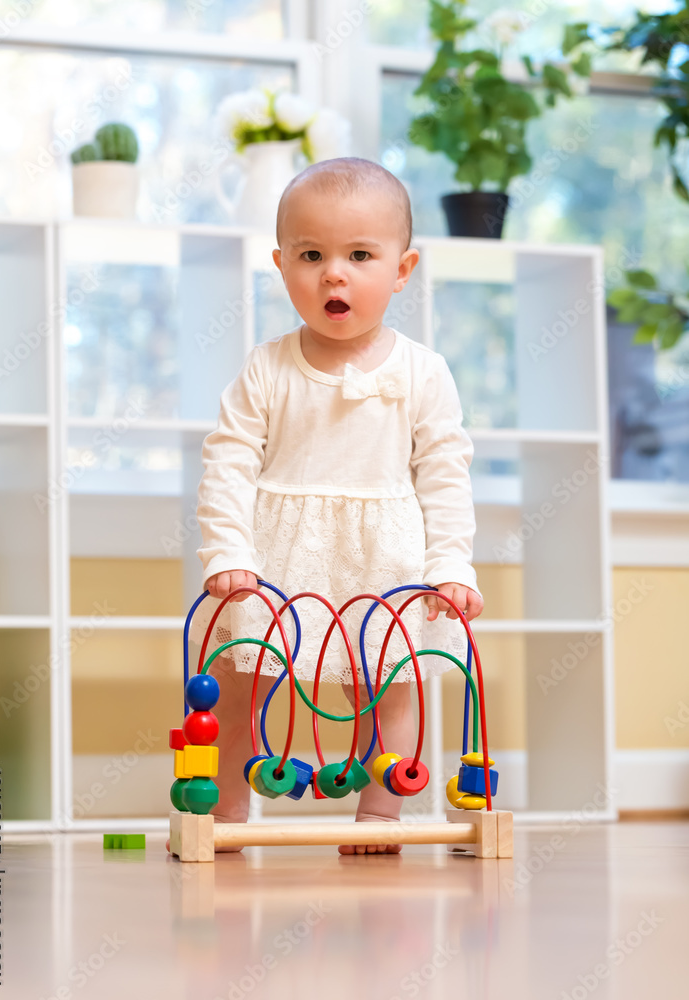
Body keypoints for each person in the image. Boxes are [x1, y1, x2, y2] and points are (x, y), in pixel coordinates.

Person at [192, 156, 483, 855]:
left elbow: (445, 474)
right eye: (311, 255)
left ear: (401, 269)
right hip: (275, 557)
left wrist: (452, 565)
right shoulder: (267, 366)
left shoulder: (422, 372)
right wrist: (227, 553)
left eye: (359, 255)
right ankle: (226, 810)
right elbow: (227, 463)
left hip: (384, 558)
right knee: (237, 677)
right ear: (281, 264)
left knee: (390, 686)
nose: (334, 273)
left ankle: (380, 813)